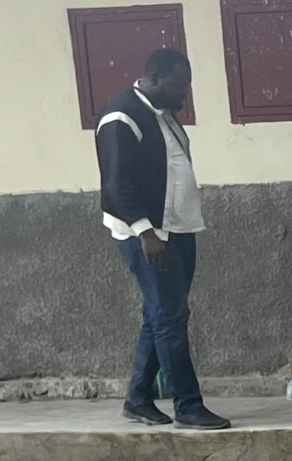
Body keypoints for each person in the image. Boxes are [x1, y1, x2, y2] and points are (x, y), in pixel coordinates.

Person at [96, 47, 231, 430]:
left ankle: (138, 399)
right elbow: (117, 182)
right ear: (154, 79)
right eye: (178, 85)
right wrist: (145, 231)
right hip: (149, 234)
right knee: (169, 317)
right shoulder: (121, 116)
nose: (184, 93)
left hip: (178, 227)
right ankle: (188, 406)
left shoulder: (163, 113)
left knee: (161, 315)